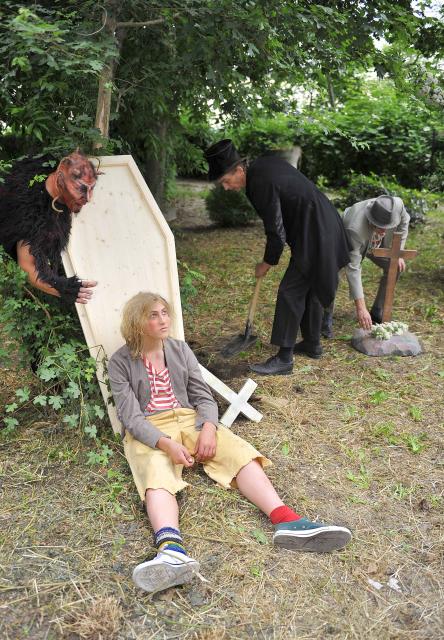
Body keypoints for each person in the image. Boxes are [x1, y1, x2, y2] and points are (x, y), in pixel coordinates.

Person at [107, 292, 352, 594]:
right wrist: (166, 444)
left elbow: (202, 396)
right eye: (153, 315)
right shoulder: (120, 361)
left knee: (238, 452)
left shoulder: (180, 349)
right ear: (137, 322)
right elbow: (131, 417)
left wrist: (210, 428)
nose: (163, 320)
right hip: (150, 426)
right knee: (155, 471)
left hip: (189, 418)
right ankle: (171, 551)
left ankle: (287, 520)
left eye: (165, 313)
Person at [204, 140, 350, 375]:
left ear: (239, 170)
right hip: (325, 226)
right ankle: (312, 344)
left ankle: (284, 359)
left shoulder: (259, 183)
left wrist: (267, 262)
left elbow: (276, 231)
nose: (226, 187)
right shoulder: (264, 165)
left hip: (316, 233)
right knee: (310, 286)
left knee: (289, 292)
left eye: (225, 181)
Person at [0, 150, 100, 305]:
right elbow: (28, 266)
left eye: (91, 188)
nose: (88, 198)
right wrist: (64, 288)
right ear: (59, 180)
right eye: (81, 189)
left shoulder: (49, 165)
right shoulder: (32, 216)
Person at [322, 195, 410, 336]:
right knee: (332, 275)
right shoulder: (354, 228)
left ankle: (377, 310)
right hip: (346, 242)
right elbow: (353, 267)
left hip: (376, 244)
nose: (384, 231)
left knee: (394, 267)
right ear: (371, 219)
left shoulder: (397, 205)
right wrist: (361, 308)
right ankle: (325, 316)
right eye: (380, 227)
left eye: (387, 227)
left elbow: (404, 222)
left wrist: (398, 251)